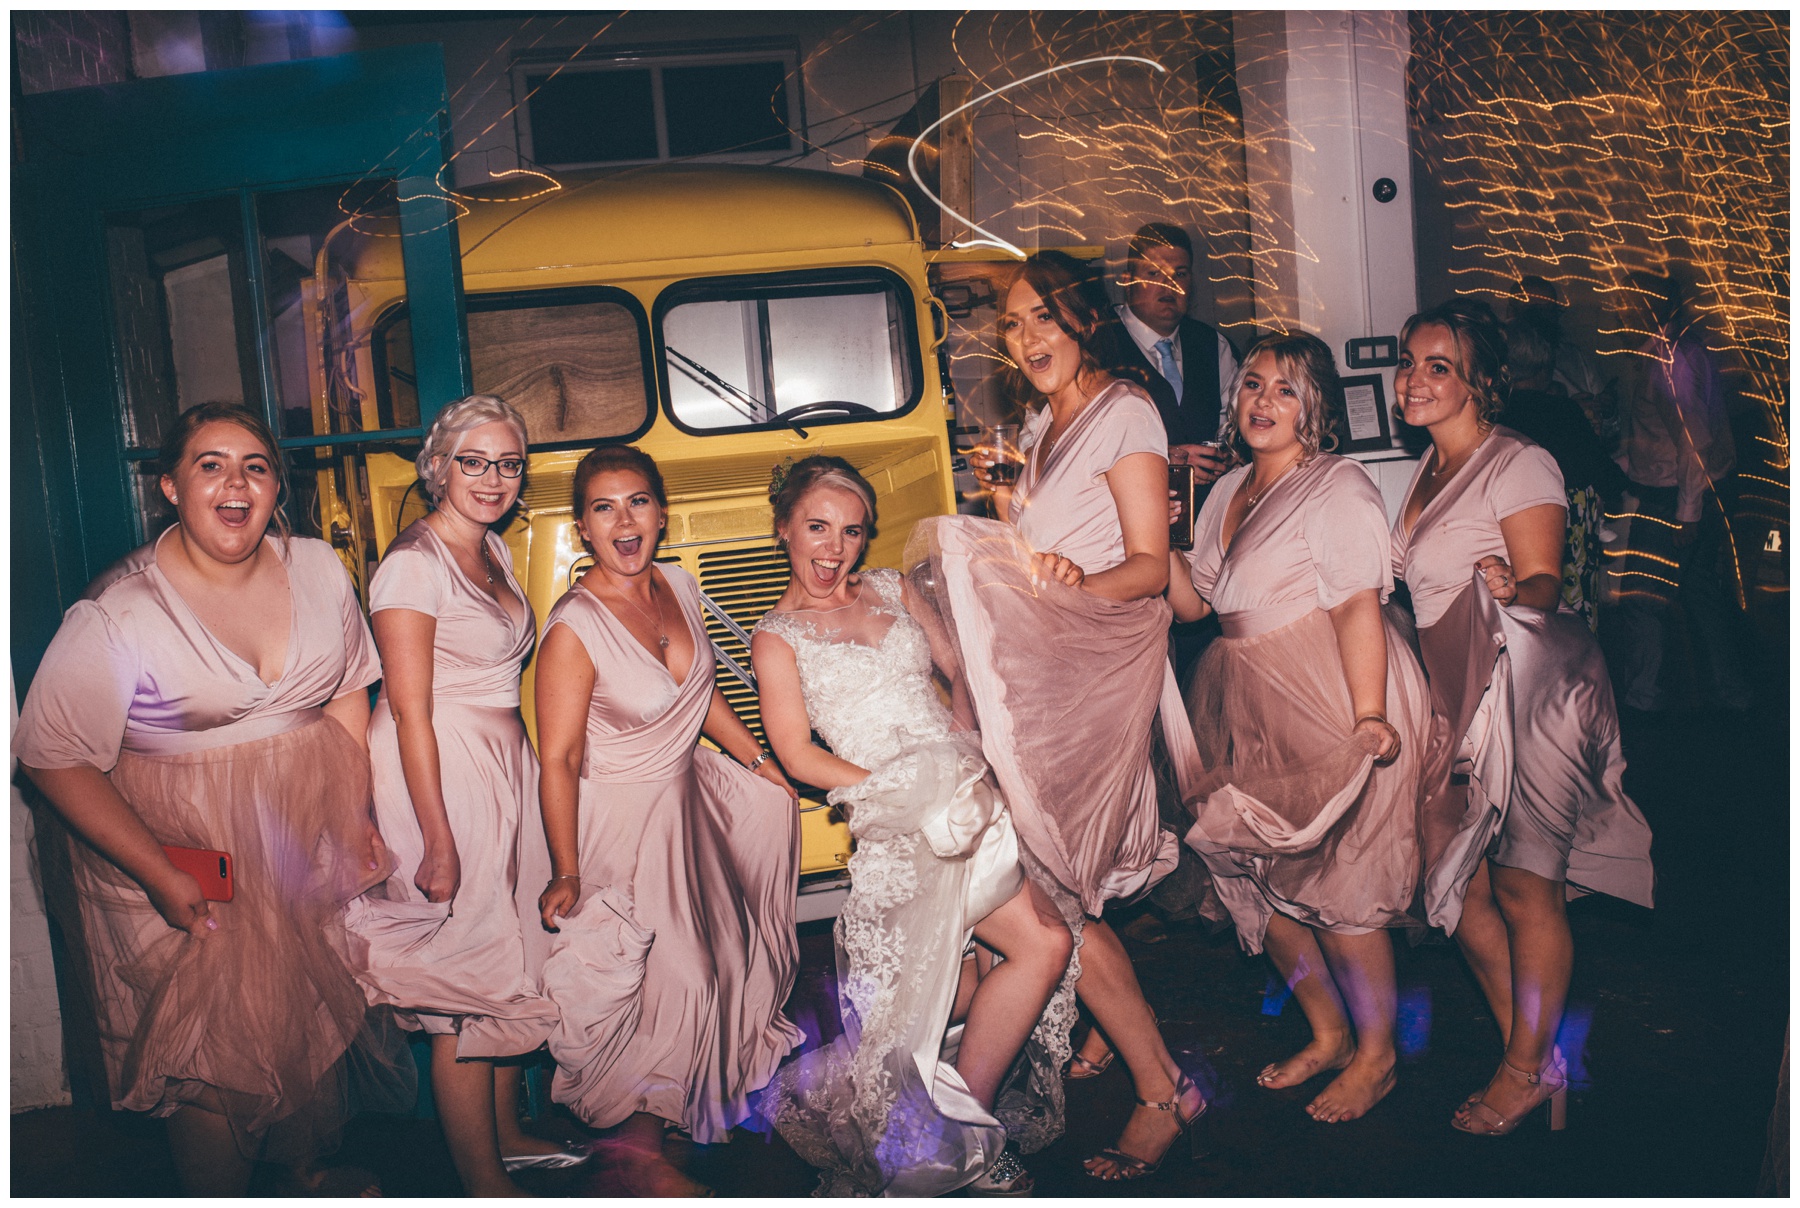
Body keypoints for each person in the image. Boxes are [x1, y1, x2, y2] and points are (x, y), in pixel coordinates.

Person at [14, 402, 411, 1196]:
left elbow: (343, 692)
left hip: (300, 839)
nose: (236, 482)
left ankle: (302, 1172)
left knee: (301, 1012)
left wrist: (356, 813)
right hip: (188, 854)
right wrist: (163, 874)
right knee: (212, 1052)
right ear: (170, 487)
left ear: (275, 489)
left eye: (256, 466)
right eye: (210, 464)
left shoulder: (319, 569)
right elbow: (51, 758)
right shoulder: (121, 612)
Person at [917, 253, 1206, 1182]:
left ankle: (1162, 1091)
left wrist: (1077, 579)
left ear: (1083, 319)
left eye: (1044, 316)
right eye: (1012, 324)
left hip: (1095, 677)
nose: (1029, 336)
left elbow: (1148, 564)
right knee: (1058, 897)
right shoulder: (1042, 426)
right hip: (1043, 683)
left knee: (1059, 900)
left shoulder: (1127, 410)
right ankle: (1135, 1063)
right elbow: (1038, 555)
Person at [751, 455, 1075, 1196]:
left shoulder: (895, 591)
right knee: (945, 990)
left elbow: (959, 673)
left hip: (966, 796)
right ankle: (957, 1134)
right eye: (817, 528)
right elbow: (799, 754)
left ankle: (964, 1121)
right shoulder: (777, 637)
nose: (833, 548)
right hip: (897, 820)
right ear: (785, 530)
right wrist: (901, 793)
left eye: (851, 532)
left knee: (1028, 953)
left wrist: (966, 762)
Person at [1392, 300, 1655, 1135]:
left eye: (1439, 365)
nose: (1414, 378)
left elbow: (1544, 583)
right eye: (1408, 362)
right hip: (1453, 688)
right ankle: (1537, 1056)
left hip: (1523, 684)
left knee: (1522, 885)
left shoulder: (1518, 462)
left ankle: (1523, 1067)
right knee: (1457, 887)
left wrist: (1513, 583)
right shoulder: (1424, 471)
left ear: (1480, 383)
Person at [1167, 332, 1436, 1124]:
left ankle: (1379, 1056)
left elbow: (1360, 602)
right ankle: (1327, 1032)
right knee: (1253, 872)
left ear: (1314, 406)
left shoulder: (1338, 485)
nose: (1262, 402)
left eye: (1285, 390)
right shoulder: (1228, 492)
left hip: (1333, 689)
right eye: (1252, 385)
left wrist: (1368, 716)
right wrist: (1160, 531)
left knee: (1340, 883)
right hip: (1245, 696)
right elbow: (1198, 607)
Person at [534, 444, 802, 1196]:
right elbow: (556, 759)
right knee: (656, 989)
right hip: (620, 827)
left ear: (661, 511)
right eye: (603, 507)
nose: (625, 520)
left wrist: (757, 763)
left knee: (709, 973)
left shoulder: (678, 587)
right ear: (582, 526)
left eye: (639, 502)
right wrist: (565, 869)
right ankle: (644, 1164)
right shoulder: (574, 628)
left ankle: (673, 1132)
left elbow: (701, 694)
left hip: (691, 814)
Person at [342, 395, 580, 1196]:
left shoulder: (493, 549)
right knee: (461, 980)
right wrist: (436, 840)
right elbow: (408, 709)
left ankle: (507, 1131)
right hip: (438, 767)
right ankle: (481, 1180)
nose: (493, 478)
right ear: (438, 466)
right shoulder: (412, 561)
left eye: (508, 463)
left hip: (499, 760)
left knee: (505, 948)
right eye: (474, 461)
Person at [1610, 271, 1751, 711]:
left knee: (1641, 597)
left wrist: (1687, 514)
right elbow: (1670, 438)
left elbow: (1693, 441)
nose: (1620, 311)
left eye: (1629, 303)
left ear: (1649, 308)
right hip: (1688, 494)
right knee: (1700, 594)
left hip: (1674, 499)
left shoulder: (1669, 361)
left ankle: (1642, 699)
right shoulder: (1673, 354)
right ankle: (1733, 694)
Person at [1500, 312, 1629, 630]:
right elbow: (1606, 476)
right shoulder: (1564, 412)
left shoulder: (1492, 413)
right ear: (1545, 366)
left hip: (1510, 537)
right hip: (1566, 539)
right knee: (1573, 625)